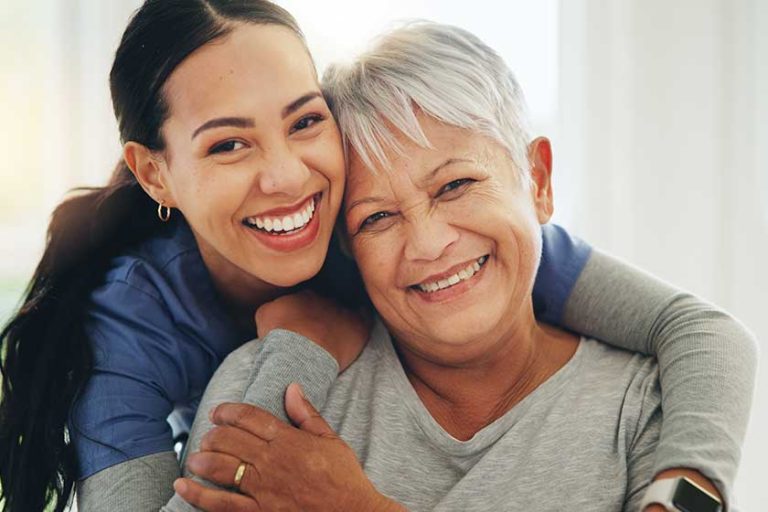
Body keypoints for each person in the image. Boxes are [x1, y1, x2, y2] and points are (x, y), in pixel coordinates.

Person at [0, 2, 754, 511]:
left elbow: (701, 331)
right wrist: (298, 349)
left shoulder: (438, 247)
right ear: (155, 171)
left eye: (303, 121)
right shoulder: (130, 331)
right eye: (229, 143)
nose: (288, 177)